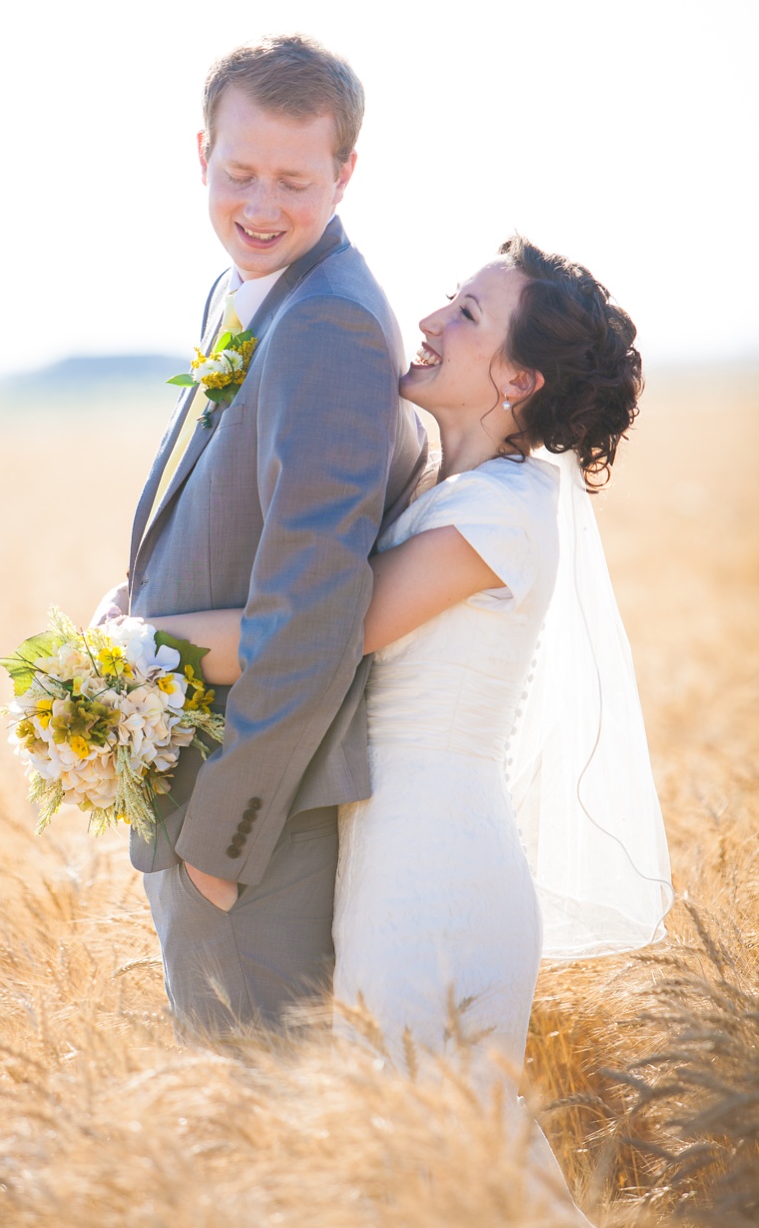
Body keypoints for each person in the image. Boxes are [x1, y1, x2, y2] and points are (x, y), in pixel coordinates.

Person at [150, 238, 671, 1069]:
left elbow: (309, 637)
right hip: (390, 852)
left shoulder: (499, 516)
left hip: (435, 875)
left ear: (518, 380)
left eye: (466, 314)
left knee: (434, 1158)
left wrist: (133, 646)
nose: (429, 322)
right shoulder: (449, 490)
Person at [98, 35, 430, 1036]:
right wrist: (133, 604)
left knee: (261, 1121)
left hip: (255, 817)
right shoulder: (247, 290)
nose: (259, 205)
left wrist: (220, 837)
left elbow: (313, 605)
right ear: (200, 151)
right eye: (238, 173)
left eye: (294, 179)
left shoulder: (329, 320)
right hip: (204, 784)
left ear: (346, 173)